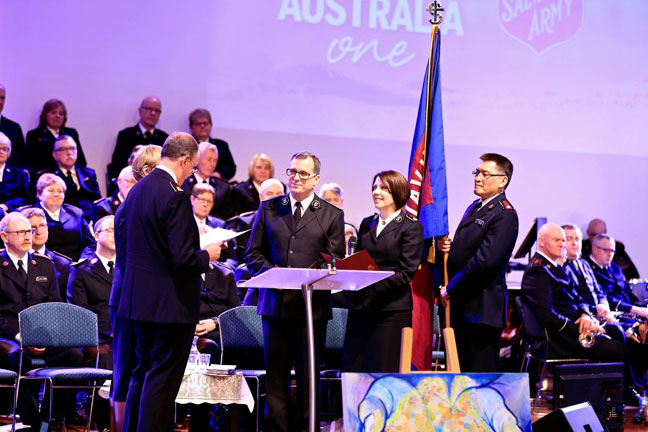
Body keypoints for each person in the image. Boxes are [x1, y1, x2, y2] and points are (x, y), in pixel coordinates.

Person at [118, 132, 222, 432]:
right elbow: (183, 259)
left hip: (139, 303)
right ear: (186, 160)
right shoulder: (174, 196)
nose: (191, 173)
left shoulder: (136, 192)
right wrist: (207, 254)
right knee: (162, 382)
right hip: (169, 307)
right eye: (192, 167)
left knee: (143, 374)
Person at [246, 151, 345, 432]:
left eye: (303, 173)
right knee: (275, 376)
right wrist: (273, 274)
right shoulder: (268, 209)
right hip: (275, 304)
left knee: (308, 376)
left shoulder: (331, 214)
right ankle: (276, 427)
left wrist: (318, 272)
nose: (296, 178)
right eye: (291, 172)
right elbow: (252, 254)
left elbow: (334, 259)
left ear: (315, 179)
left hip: (311, 309)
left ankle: (306, 426)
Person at [521, 223, 648, 370]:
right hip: (561, 339)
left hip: (573, 329)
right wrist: (582, 329)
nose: (563, 245)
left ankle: (619, 390)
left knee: (621, 338)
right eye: (558, 240)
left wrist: (585, 315)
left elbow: (575, 298)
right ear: (542, 242)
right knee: (624, 350)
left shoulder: (552, 267)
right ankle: (615, 391)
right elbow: (547, 316)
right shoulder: (539, 270)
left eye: (563, 240)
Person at [0, 212, 84, 429]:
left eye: (29, 231)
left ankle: (53, 418)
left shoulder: (44, 264)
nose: (29, 236)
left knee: (74, 355)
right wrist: (24, 336)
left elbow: (54, 305)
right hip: (8, 336)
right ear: (4, 236)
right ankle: (30, 420)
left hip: (41, 334)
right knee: (19, 356)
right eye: (20, 232)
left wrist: (44, 336)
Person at [438, 153, 519, 372]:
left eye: (485, 173)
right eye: (477, 172)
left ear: (503, 180)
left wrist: (450, 289)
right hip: (462, 306)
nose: (478, 178)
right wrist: (450, 249)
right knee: (458, 372)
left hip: (481, 310)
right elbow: (468, 250)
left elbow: (485, 261)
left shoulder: (505, 214)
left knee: (478, 377)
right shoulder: (475, 207)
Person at [341, 170, 423, 373]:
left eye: (383, 188)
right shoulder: (367, 223)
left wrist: (370, 284)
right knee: (354, 370)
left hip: (391, 311)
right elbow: (360, 262)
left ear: (398, 191)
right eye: (374, 187)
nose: (376, 192)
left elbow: (406, 272)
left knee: (382, 372)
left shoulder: (410, 227)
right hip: (362, 308)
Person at [110, 144, 161, 432]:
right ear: (147, 171)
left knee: (137, 366)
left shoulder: (140, 202)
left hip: (136, 295)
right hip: (129, 296)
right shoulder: (133, 205)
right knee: (126, 367)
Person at [561, 224, 626, 341]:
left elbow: (599, 291)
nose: (574, 243)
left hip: (601, 316)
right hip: (584, 319)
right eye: (569, 239)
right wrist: (596, 310)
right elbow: (572, 301)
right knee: (619, 334)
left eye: (577, 239)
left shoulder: (584, 263)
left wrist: (604, 306)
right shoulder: (561, 268)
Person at [67, 215, 115, 369]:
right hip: (96, 336)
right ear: (96, 235)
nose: (116, 234)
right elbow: (80, 312)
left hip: (127, 334)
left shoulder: (129, 269)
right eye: (110, 230)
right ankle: (101, 393)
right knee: (106, 354)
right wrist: (109, 332)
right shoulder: (81, 270)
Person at [27, 173, 95, 261]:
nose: (56, 194)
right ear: (39, 194)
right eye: (51, 190)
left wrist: (83, 260)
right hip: (46, 264)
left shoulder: (76, 213)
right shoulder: (29, 216)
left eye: (60, 191)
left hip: (77, 265)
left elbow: (90, 243)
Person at [38, 135, 101, 221]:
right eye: (63, 149)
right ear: (54, 155)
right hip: (63, 221)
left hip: (90, 220)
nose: (69, 152)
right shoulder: (47, 176)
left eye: (72, 148)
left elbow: (98, 201)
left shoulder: (89, 174)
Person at [586, 234, 648, 318]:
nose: (610, 254)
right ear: (595, 249)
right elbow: (605, 298)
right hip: (612, 313)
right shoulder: (587, 269)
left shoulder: (615, 267)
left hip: (630, 311)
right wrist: (635, 309)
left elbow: (627, 290)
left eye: (612, 251)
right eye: (606, 250)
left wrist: (640, 307)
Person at [109, 96, 168, 180]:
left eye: (157, 110)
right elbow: (117, 166)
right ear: (140, 110)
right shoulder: (126, 135)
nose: (153, 113)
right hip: (131, 182)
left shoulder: (164, 138)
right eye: (149, 109)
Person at [25, 98, 88, 176]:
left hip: (70, 176)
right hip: (46, 178)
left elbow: (81, 161)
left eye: (61, 113)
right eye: (53, 112)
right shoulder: (34, 135)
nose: (57, 116)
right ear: (45, 115)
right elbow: (30, 162)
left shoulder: (71, 133)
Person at [22, 207, 73, 301]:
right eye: (33, 228)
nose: (39, 232)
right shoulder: (17, 260)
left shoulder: (64, 264)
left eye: (42, 226)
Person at [181, 141, 232, 219]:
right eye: (209, 159)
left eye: (215, 161)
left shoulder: (223, 188)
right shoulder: (182, 183)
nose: (212, 164)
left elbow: (228, 218)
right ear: (197, 159)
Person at [188, 108, 236, 180]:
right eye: (198, 124)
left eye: (205, 123)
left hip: (217, 186)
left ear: (211, 125)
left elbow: (231, 167)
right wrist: (199, 175)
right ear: (191, 127)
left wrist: (218, 174)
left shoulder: (221, 146)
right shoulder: (186, 146)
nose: (202, 126)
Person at [0, 131, 31, 211]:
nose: (1, 152)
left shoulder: (20, 174)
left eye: (4, 149)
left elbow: (26, 198)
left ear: (8, 152)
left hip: (14, 213)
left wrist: (6, 205)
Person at [0, 83, 26, 167]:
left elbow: (23, 158)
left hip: (10, 177)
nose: (0, 102)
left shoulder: (14, 128)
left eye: (2, 98)